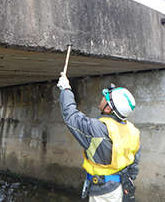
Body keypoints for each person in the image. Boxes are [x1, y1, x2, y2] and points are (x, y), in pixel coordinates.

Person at [57, 72, 141, 202]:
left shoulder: (98, 128)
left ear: (108, 109)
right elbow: (134, 164)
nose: (102, 98)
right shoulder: (132, 130)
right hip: (121, 187)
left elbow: (71, 116)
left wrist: (65, 90)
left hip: (103, 192)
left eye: (104, 98)